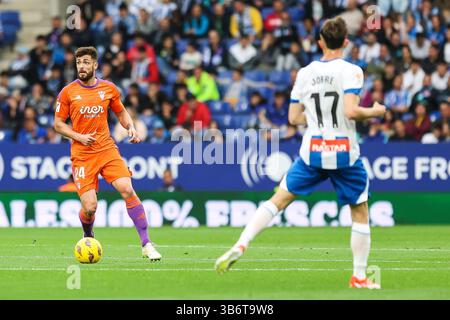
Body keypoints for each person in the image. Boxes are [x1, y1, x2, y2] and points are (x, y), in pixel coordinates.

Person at [215, 17, 386, 289]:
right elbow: (352, 111)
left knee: (278, 200)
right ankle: (359, 276)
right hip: (343, 151)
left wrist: (318, 118)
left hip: (313, 150)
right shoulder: (352, 70)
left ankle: (241, 243)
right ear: (345, 42)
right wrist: (377, 111)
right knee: (359, 210)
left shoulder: (304, 73)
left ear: (319, 42)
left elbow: (294, 118)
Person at [53, 46, 162, 261]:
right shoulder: (67, 92)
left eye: (85, 62)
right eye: (78, 63)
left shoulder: (109, 89)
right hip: (82, 155)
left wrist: (130, 126)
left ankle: (146, 243)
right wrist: (78, 136)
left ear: (95, 65)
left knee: (127, 189)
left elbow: (121, 111)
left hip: (106, 149)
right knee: (90, 207)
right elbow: (58, 124)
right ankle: (88, 235)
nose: (81, 66)